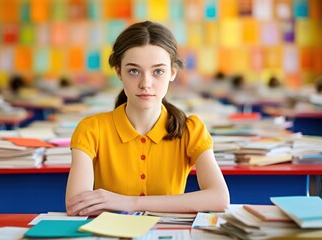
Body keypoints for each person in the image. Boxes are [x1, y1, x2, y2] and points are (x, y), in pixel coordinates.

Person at [66, 21, 229, 216]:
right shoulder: (92, 129)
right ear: (119, 72)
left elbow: (219, 198)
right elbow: (77, 205)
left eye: (158, 71)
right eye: (133, 71)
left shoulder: (190, 129)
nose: (146, 83)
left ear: (172, 73)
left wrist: (131, 203)